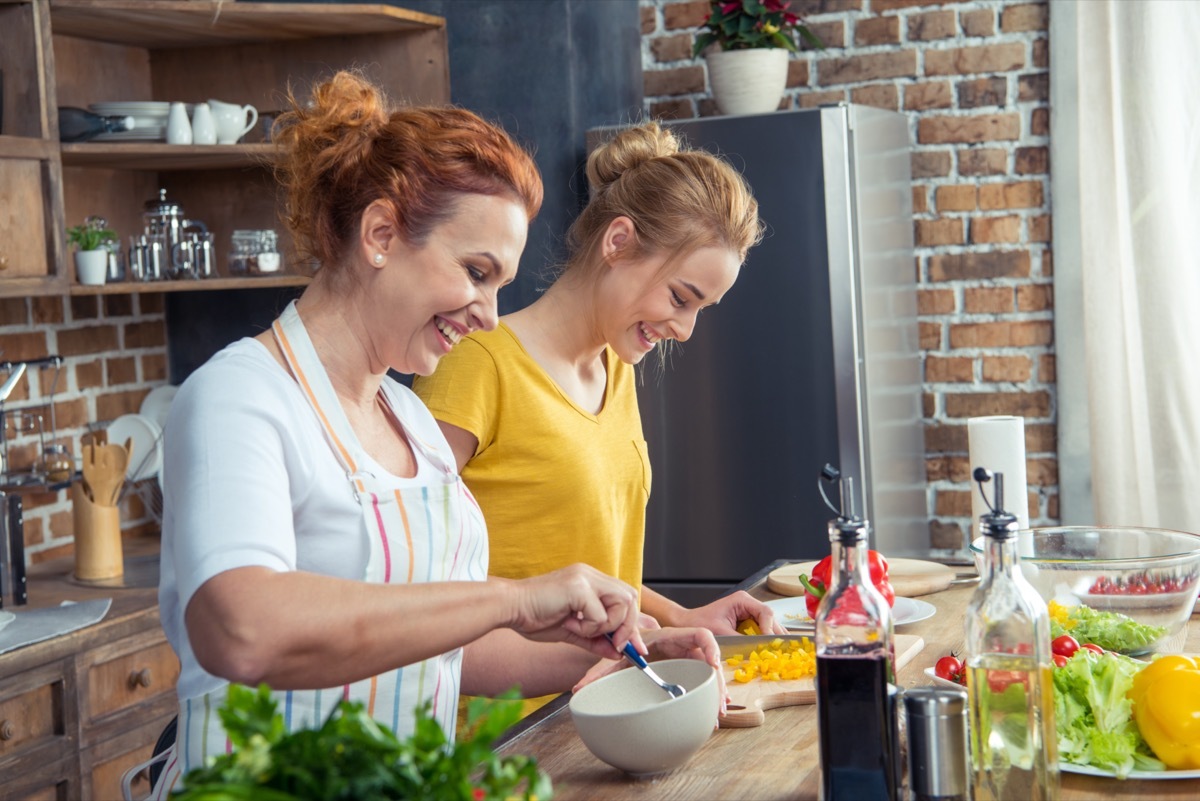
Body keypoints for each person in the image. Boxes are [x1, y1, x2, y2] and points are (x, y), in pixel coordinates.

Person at [152, 73, 720, 798]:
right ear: (382, 234)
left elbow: (449, 651)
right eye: (475, 272)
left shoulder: (411, 421)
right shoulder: (239, 397)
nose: (487, 312)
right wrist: (514, 598)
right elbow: (242, 629)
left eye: (500, 284)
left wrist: (624, 653)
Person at [411, 122, 780, 642]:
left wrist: (680, 617)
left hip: (608, 701)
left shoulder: (617, 369)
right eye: (680, 298)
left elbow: (587, 571)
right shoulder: (477, 363)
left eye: (701, 309)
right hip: (511, 716)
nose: (686, 330)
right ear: (619, 242)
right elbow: (409, 573)